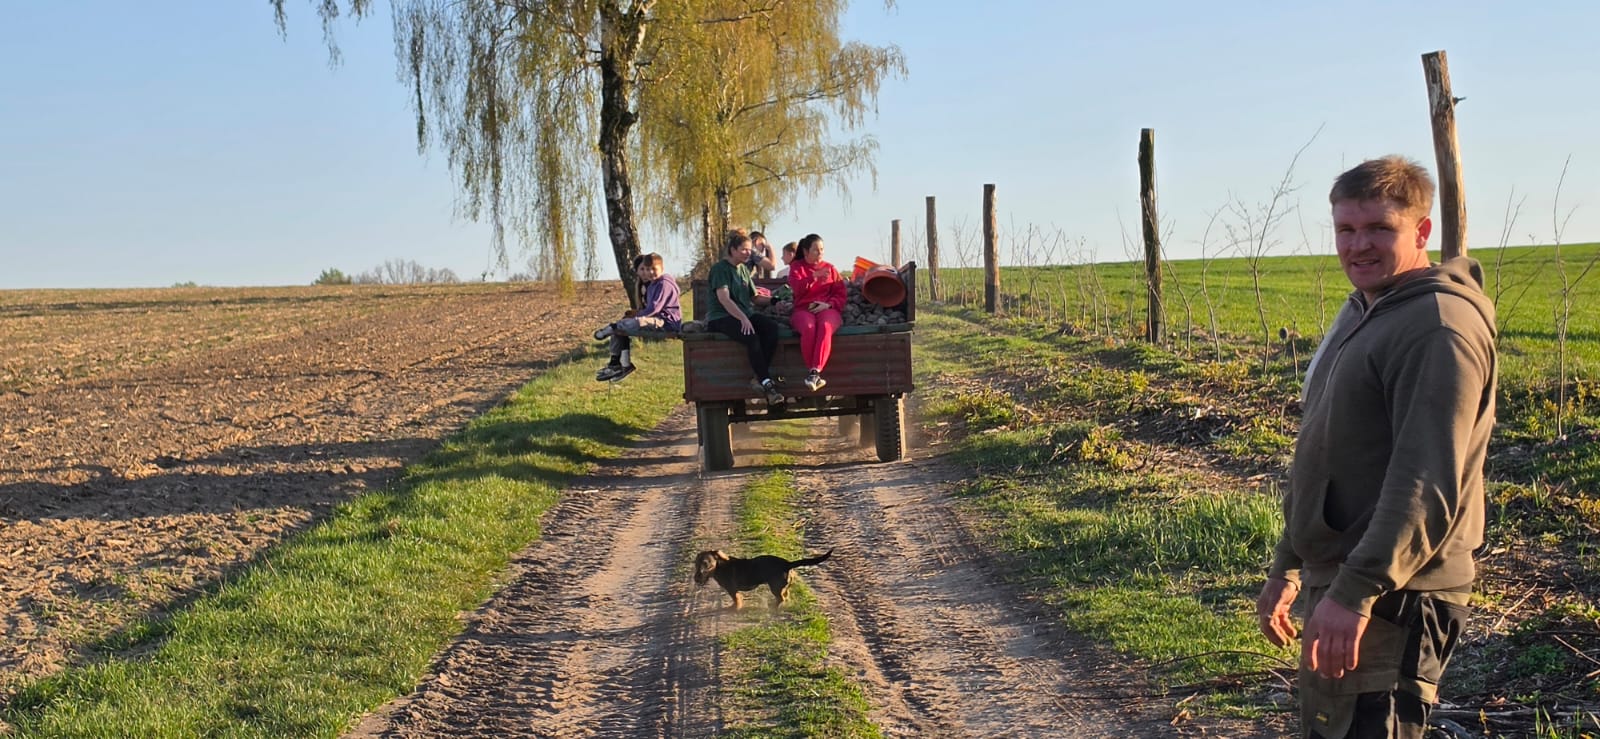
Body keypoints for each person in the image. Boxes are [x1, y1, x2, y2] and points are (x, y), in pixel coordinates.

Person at [1256, 156, 1497, 739]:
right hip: (1343, 576)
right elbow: (1325, 453)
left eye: (1379, 229)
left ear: (1420, 231)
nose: (1358, 246)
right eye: (1346, 229)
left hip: (1397, 592)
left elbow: (1426, 481)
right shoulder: (1364, 308)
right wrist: (1289, 565)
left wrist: (1357, 592)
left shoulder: (1437, 327)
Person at [707, 229, 785, 405]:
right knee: (751, 337)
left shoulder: (743, 269)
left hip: (744, 313)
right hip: (721, 317)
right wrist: (743, 318)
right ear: (732, 250)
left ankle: (758, 377)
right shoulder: (720, 269)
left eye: (749, 250)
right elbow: (724, 299)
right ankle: (767, 384)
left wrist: (774, 300)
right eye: (743, 249)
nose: (748, 253)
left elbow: (754, 297)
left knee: (771, 328)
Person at [593, 252, 681, 381]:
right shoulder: (652, 284)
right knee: (620, 329)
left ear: (662, 269)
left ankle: (610, 328)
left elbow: (654, 308)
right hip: (655, 319)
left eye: (653, 269)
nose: (649, 272)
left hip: (666, 322)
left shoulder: (664, 284)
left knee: (637, 322)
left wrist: (637, 315)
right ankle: (618, 364)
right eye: (645, 269)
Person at [786, 233, 846, 392]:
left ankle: (815, 372)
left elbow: (841, 294)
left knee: (825, 326)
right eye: (816, 250)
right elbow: (797, 289)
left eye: (822, 250)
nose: (820, 254)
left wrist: (828, 305)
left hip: (827, 308)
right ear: (806, 252)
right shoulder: (796, 268)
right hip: (803, 309)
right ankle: (812, 372)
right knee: (808, 327)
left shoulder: (831, 269)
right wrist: (813, 276)